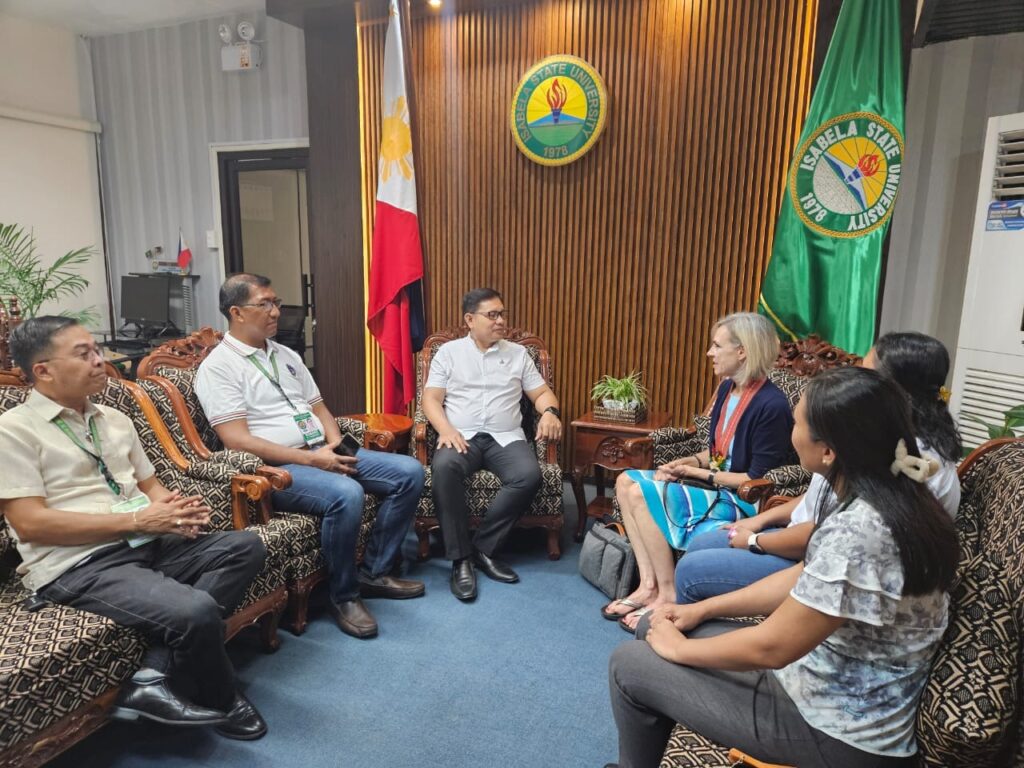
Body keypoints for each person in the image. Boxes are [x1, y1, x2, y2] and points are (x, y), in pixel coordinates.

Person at [607, 367, 958, 768]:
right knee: (659, 626)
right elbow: (803, 576)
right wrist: (701, 609)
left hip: (837, 734)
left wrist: (682, 649)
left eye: (796, 422)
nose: (791, 432)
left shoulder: (861, 531)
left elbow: (773, 647)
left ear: (828, 450)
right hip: (823, 684)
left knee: (628, 665)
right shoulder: (894, 499)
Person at [0, 317, 268, 739]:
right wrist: (138, 520)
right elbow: (29, 524)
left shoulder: (113, 418)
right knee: (195, 610)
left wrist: (176, 511)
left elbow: (150, 486)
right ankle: (222, 696)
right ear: (43, 371)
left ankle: (152, 676)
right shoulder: (13, 430)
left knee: (246, 546)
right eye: (83, 353)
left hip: (143, 542)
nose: (100, 362)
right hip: (79, 565)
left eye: (97, 350)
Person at [194, 274, 425, 640]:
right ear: (236, 312)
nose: (276, 312)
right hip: (278, 467)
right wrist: (312, 461)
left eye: (276, 302)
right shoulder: (218, 367)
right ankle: (343, 595)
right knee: (346, 494)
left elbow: (318, 408)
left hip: (320, 452)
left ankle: (375, 571)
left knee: (410, 471)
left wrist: (335, 447)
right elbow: (236, 439)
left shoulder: (285, 354)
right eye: (265, 304)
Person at [673, 330, 962, 604]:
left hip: (822, 558)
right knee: (703, 544)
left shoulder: (905, 457)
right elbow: (821, 496)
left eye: (864, 372)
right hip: (805, 543)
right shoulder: (877, 435)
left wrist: (756, 541)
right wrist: (760, 520)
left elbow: (833, 531)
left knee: (692, 570)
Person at [605, 312, 793, 629]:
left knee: (641, 491)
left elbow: (754, 478)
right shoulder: (726, 390)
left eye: (717, 346)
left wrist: (696, 475)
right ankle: (647, 585)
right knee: (625, 481)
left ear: (742, 351)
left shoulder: (771, 405)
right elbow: (719, 453)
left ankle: (667, 595)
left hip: (743, 500)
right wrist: (686, 464)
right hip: (715, 486)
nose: (710, 353)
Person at [422, 288, 562, 601]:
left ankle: (483, 549)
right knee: (444, 468)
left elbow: (542, 394)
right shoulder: (448, 353)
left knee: (529, 475)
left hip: (506, 437)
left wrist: (550, 413)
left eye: (503, 314)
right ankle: (460, 560)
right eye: (492, 315)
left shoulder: (517, 354)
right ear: (470, 320)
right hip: (462, 435)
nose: (501, 321)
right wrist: (444, 429)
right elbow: (430, 399)